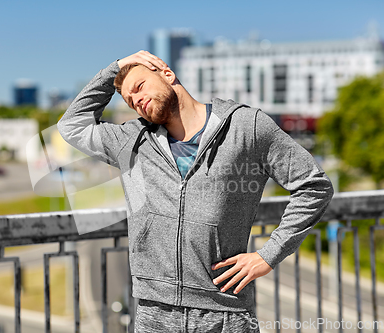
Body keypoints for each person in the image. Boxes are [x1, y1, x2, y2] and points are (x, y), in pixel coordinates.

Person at [57, 50, 334, 332]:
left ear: (167, 73)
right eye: (130, 101)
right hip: (154, 313)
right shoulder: (131, 139)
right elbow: (72, 125)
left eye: (139, 87)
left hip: (225, 313)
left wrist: (269, 255)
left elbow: (313, 186)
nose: (137, 101)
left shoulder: (246, 127)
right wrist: (115, 67)